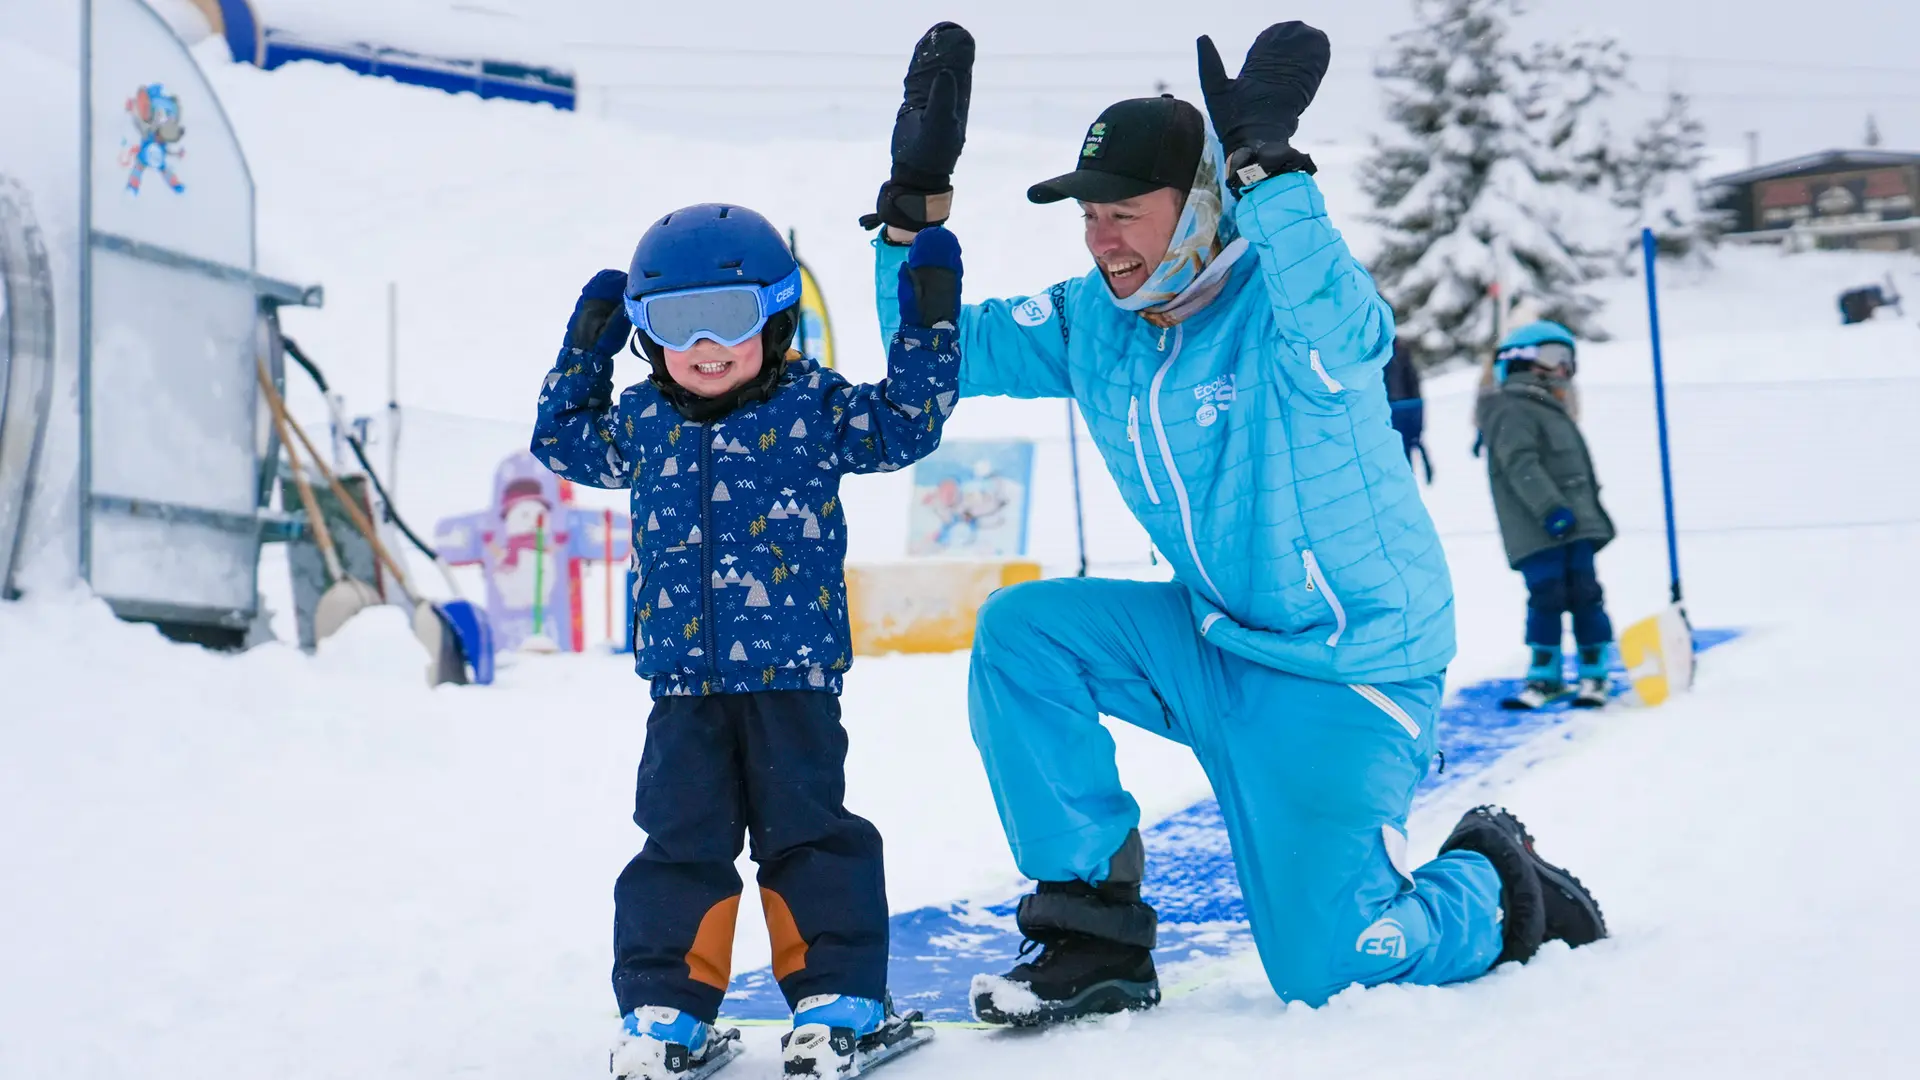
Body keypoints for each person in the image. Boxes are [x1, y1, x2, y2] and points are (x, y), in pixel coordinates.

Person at [862, 22, 1607, 1026]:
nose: (1102, 240)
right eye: (1091, 218)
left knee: (1333, 969)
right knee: (1024, 635)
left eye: (1125, 214)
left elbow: (1356, 334)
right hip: (1213, 639)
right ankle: (1091, 935)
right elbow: (937, 359)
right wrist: (912, 215)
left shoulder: (1287, 308)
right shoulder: (1098, 320)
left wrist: (1271, 173)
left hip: (1349, 670)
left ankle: (1501, 884)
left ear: (1204, 207)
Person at [532, 204, 964, 1078]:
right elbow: (561, 441)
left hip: (792, 678)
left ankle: (835, 1001)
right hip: (681, 686)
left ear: (774, 315)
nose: (704, 345)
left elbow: (906, 424)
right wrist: (585, 349)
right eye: (671, 323)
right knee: (677, 841)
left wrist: (930, 322)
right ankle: (666, 1012)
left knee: (808, 836)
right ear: (645, 337)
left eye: (727, 319)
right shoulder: (642, 419)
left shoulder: (815, 404)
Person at [1477, 320, 1619, 710]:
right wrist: (1551, 509)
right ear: (1521, 361)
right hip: (1540, 526)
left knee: (1586, 593)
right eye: (1554, 356)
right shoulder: (1510, 407)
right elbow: (1519, 463)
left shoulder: (1550, 407)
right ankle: (1544, 676)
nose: (1563, 368)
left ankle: (1594, 672)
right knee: (1547, 595)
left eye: (1568, 359)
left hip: (1574, 525)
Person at [1383, 336, 1431, 483]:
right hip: (1385, 420)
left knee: (1403, 466)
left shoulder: (1399, 350)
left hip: (1401, 417)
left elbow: (1414, 388)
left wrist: (1417, 426)